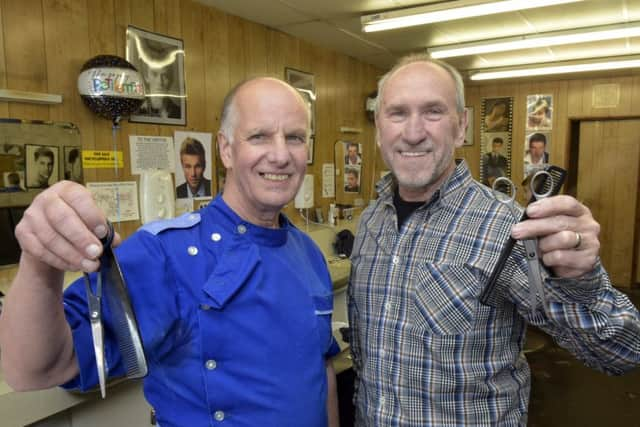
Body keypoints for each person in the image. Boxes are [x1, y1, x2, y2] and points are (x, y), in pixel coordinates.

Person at [0, 77, 340, 427]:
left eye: (295, 138)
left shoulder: (307, 252)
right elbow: (36, 369)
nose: (281, 155)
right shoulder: (166, 253)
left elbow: (321, 367)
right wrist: (40, 264)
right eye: (259, 136)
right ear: (225, 149)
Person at [348, 54, 640, 426]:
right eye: (397, 113)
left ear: (462, 126)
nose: (413, 131)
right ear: (378, 127)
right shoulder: (372, 221)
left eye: (433, 112)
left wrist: (582, 281)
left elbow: (623, 351)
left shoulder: (509, 228)